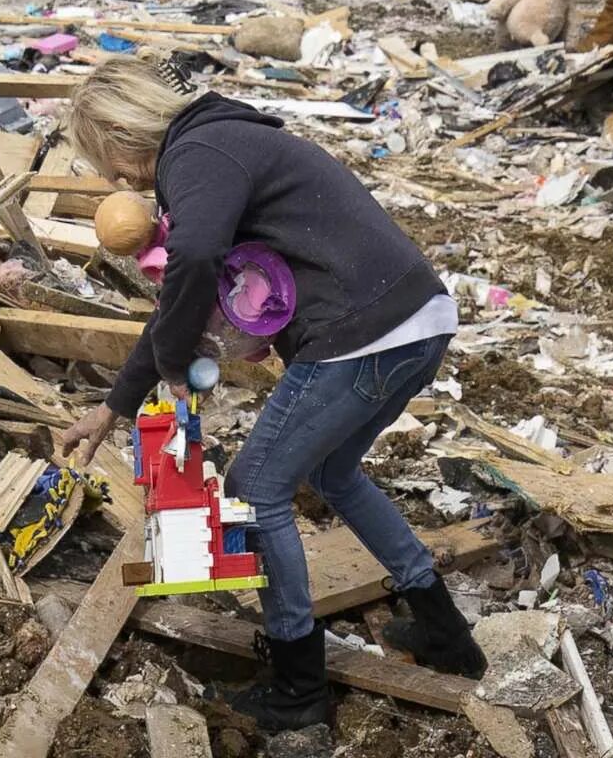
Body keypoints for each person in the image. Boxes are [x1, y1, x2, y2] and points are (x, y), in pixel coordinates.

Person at [58, 59, 482, 732]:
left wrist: (173, 364)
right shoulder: (224, 140)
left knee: (257, 485)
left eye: (111, 163)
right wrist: (115, 405)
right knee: (332, 472)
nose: (122, 182)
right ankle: (442, 628)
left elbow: (193, 258)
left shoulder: (194, 151)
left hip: (361, 331)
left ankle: (298, 686)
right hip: (416, 320)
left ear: (120, 128)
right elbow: (181, 292)